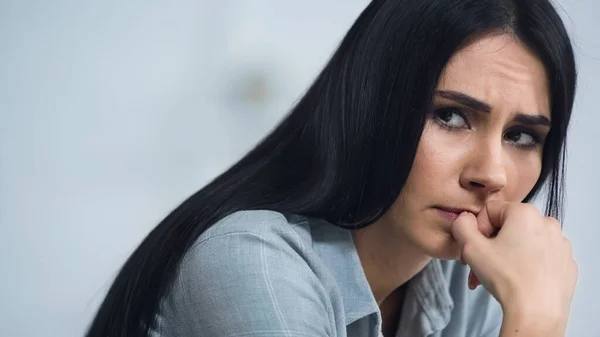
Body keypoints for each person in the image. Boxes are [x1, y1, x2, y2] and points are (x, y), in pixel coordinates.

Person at [85, 0, 578, 336]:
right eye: (449, 116)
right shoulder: (249, 262)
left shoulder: (463, 284)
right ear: (371, 107)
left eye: (521, 136)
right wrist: (535, 319)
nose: (491, 174)